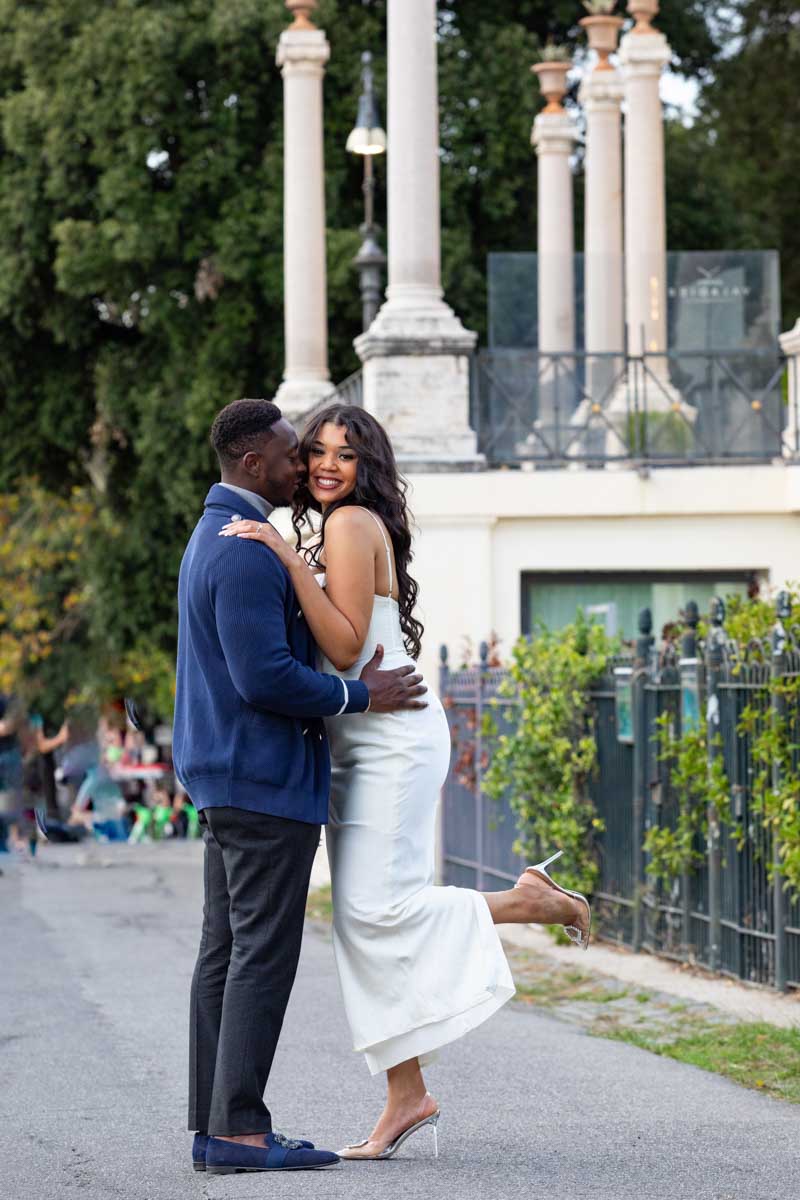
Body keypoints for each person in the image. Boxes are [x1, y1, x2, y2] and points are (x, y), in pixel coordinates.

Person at [221, 402, 591, 1162]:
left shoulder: (352, 526)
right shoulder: (335, 529)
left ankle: (528, 901)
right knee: (361, 923)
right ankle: (406, 1095)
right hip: (359, 740)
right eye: (317, 450)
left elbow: (350, 644)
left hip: (389, 736)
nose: (326, 464)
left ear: (368, 469)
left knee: (376, 909)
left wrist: (290, 562)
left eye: (345, 455)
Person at [173, 398, 429, 1176]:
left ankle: (217, 1127)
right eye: (293, 453)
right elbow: (265, 678)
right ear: (255, 464)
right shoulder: (248, 550)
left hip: (227, 776)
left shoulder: (212, 537)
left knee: (223, 952)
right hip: (261, 779)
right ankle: (241, 1130)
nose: (302, 466)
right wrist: (359, 697)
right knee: (259, 956)